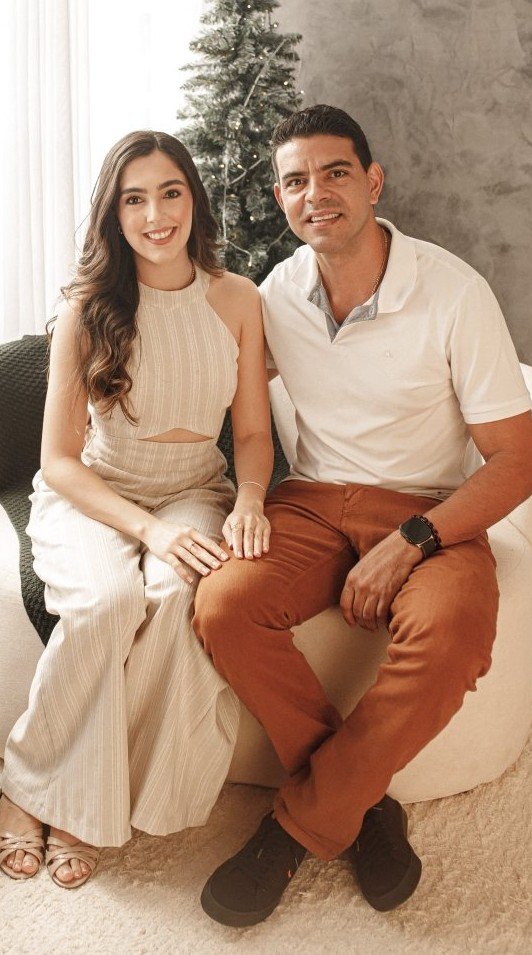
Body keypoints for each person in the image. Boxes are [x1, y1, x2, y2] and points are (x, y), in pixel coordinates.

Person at [193, 104, 532, 926]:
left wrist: (412, 540)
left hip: (429, 507)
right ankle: (359, 804)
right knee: (224, 605)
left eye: (335, 172)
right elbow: (203, 378)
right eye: (295, 180)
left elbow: (518, 458)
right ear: (280, 197)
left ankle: (294, 827)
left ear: (373, 182)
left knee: (453, 633)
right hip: (311, 501)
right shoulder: (274, 293)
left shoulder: (453, 292)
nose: (315, 193)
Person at [0, 130, 273, 888]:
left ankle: (97, 794)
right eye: (135, 199)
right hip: (95, 491)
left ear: (194, 199)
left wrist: (252, 497)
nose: (156, 215)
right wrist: (147, 528)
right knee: (108, 603)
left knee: (179, 594)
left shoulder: (237, 299)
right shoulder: (87, 309)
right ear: (114, 215)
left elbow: (253, 434)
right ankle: (30, 784)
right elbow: (58, 459)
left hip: (195, 489)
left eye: (171, 192)